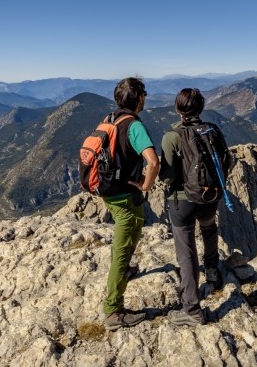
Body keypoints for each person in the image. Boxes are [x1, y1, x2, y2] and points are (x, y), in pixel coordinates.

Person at [159, 88, 227, 326]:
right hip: (210, 197)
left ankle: (192, 309)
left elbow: (166, 178)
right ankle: (212, 271)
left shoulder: (172, 137)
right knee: (209, 229)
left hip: (182, 203)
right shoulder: (213, 130)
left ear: (178, 109)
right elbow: (227, 160)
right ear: (201, 108)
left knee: (187, 254)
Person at [101, 77, 160, 331]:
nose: (145, 98)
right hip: (125, 196)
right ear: (139, 99)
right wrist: (146, 186)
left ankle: (126, 267)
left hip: (108, 193)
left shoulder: (109, 119)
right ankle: (114, 310)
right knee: (123, 248)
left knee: (126, 239)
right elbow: (153, 161)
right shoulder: (133, 125)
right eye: (144, 94)